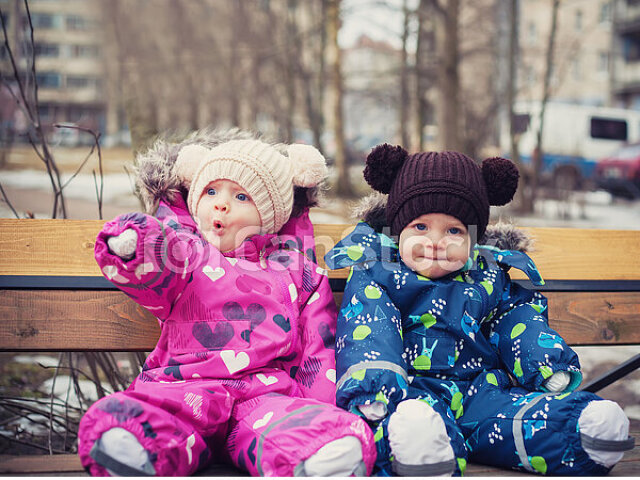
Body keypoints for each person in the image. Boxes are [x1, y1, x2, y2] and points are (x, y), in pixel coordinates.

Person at [78, 129, 376, 477]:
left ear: (271, 216)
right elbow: (155, 271)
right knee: (162, 416)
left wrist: (321, 407)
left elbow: (318, 349)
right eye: (211, 191)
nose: (221, 203)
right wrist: (136, 246)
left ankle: (315, 453)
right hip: (186, 385)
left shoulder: (299, 273)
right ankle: (137, 447)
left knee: (289, 427)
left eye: (242, 197)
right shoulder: (185, 255)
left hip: (264, 398)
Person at [324, 144, 634, 476]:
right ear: (398, 229)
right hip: (412, 393)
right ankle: (422, 452)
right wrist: (374, 386)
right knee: (413, 426)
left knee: (518, 419)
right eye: (420, 227)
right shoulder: (380, 275)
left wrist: (546, 363)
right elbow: (370, 330)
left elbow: (519, 321)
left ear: (473, 239)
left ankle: (581, 432)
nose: (436, 240)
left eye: (454, 230)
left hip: (481, 394)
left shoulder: (487, 278)